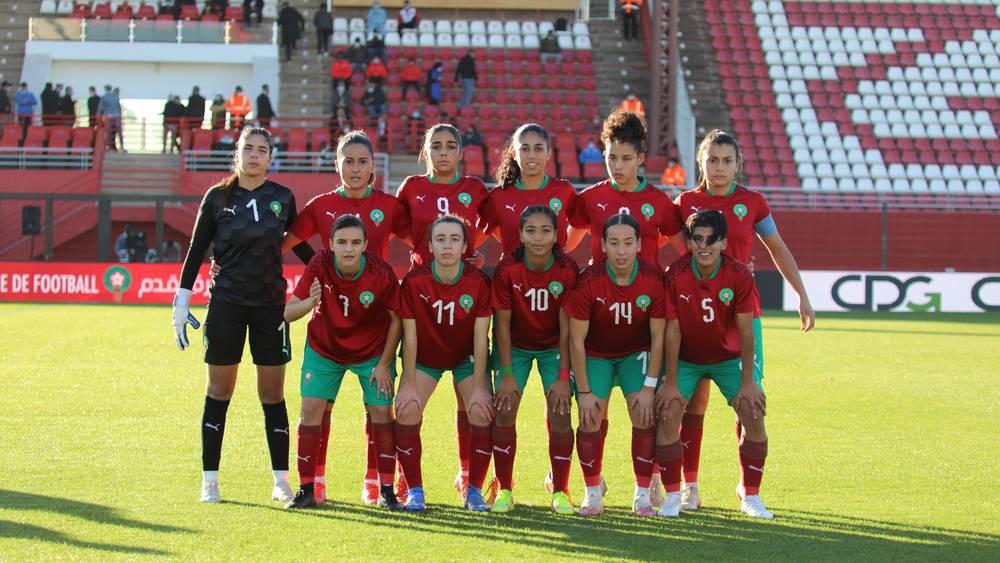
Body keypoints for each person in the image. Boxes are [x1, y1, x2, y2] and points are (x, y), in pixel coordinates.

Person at [671, 129, 815, 511]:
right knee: (693, 404)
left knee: (748, 401)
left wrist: (801, 293)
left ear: (738, 164)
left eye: (726, 160)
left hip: (741, 316)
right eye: (712, 160)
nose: (719, 167)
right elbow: (668, 250)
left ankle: (748, 490)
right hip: (694, 316)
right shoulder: (684, 202)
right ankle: (690, 486)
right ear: (700, 161)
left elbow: (778, 248)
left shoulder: (752, 203)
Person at [170, 127, 299, 505]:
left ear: (271, 158)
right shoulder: (216, 197)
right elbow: (196, 250)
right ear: (236, 154)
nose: (254, 155)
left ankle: (280, 481)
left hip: (270, 307)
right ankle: (210, 480)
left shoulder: (282, 198)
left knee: (272, 394)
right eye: (248, 149)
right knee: (219, 391)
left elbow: (302, 245)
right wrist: (181, 300)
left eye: (262, 150)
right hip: (226, 304)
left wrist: (330, 276)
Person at [281, 131, 411, 505]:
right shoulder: (321, 206)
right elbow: (285, 243)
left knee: (378, 412)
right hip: (331, 320)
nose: (355, 169)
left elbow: (425, 245)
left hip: (375, 322)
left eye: (362, 162)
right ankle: (314, 483)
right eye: (348, 161)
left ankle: (376, 483)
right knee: (318, 409)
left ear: (373, 167)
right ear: (336, 164)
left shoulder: (389, 206)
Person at [656, 209, 772, 518]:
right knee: (667, 412)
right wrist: (669, 382)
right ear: (690, 242)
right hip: (687, 360)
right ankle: (672, 496)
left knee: (753, 410)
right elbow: (673, 330)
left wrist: (749, 382)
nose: (704, 246)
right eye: (697, 239)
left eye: (711, 240)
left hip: (728, 358)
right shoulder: (676, 273)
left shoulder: (738, 274)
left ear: (723, 243)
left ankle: (751, 495)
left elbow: (747, 332)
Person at [395, 125, 490, 498]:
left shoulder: (475, 189)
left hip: (466, 289)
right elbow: (400, 227)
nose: (443, 152)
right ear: (425, 151)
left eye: (451, 146)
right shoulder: (412, 188)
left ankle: (469, 477)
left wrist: (471, 252)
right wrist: (426, 253)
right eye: (436, 146)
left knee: (470, 401)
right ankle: (406, 481)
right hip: (426, 291)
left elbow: (492, 224)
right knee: (407, 402)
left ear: (461, 152)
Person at [564, 213, 666, 517]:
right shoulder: (589, 281)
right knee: (590, 414)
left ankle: (642, 495)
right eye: (614, 243)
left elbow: (659, 339)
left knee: (643, 412)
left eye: (628, 243)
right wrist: (583, 391)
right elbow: (576, 341)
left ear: (638, 246)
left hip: (636, 352)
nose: (621, 250)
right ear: (603, 246)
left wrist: (649, 388)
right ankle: (592, 493)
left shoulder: (652, 279)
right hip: (596, 353)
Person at [489, 206, 580, 514]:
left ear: (557, 235)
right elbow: (501, 324)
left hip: (554, 347)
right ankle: (503, 488)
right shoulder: (507, 268)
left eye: (545, 231)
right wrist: (506, 373)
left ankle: (560, 489)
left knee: (561, 412)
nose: (538, 238)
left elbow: (569, 326)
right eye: (531, 231)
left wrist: (564, 376)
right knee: (504, 409)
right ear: (521, 235)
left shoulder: (567, 269)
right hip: (514, 347)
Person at [569, 110, 682, 269]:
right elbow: (566, 246)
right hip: (602, 291)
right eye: (612, 158)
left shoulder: (660, 201)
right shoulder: (588, 198)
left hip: (646, 292)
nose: (618, 166)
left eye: (626, 158)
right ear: (604, 155)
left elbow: (686, 250)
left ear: (640, 158)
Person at [479, 123, 577, 259]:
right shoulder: (499, 195)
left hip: (555, 277)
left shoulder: (564, 190)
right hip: (512, 278)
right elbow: (480, 234)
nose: (531, 155)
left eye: (538, 149)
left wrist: (566, 247)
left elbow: (582, 222)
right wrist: (509, 243)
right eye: (525, 149)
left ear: (548, 153)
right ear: (514, 153)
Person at [97, 85, 122, 151]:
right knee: (119, 132)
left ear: (105, 89)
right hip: (117, 116)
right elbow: (119, 107)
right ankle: (122, 146)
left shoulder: (104, 97)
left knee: (109, 132)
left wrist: (99, 117)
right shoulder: (116, 97)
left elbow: (100, 109)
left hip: (109, 117)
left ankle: (110, 147)